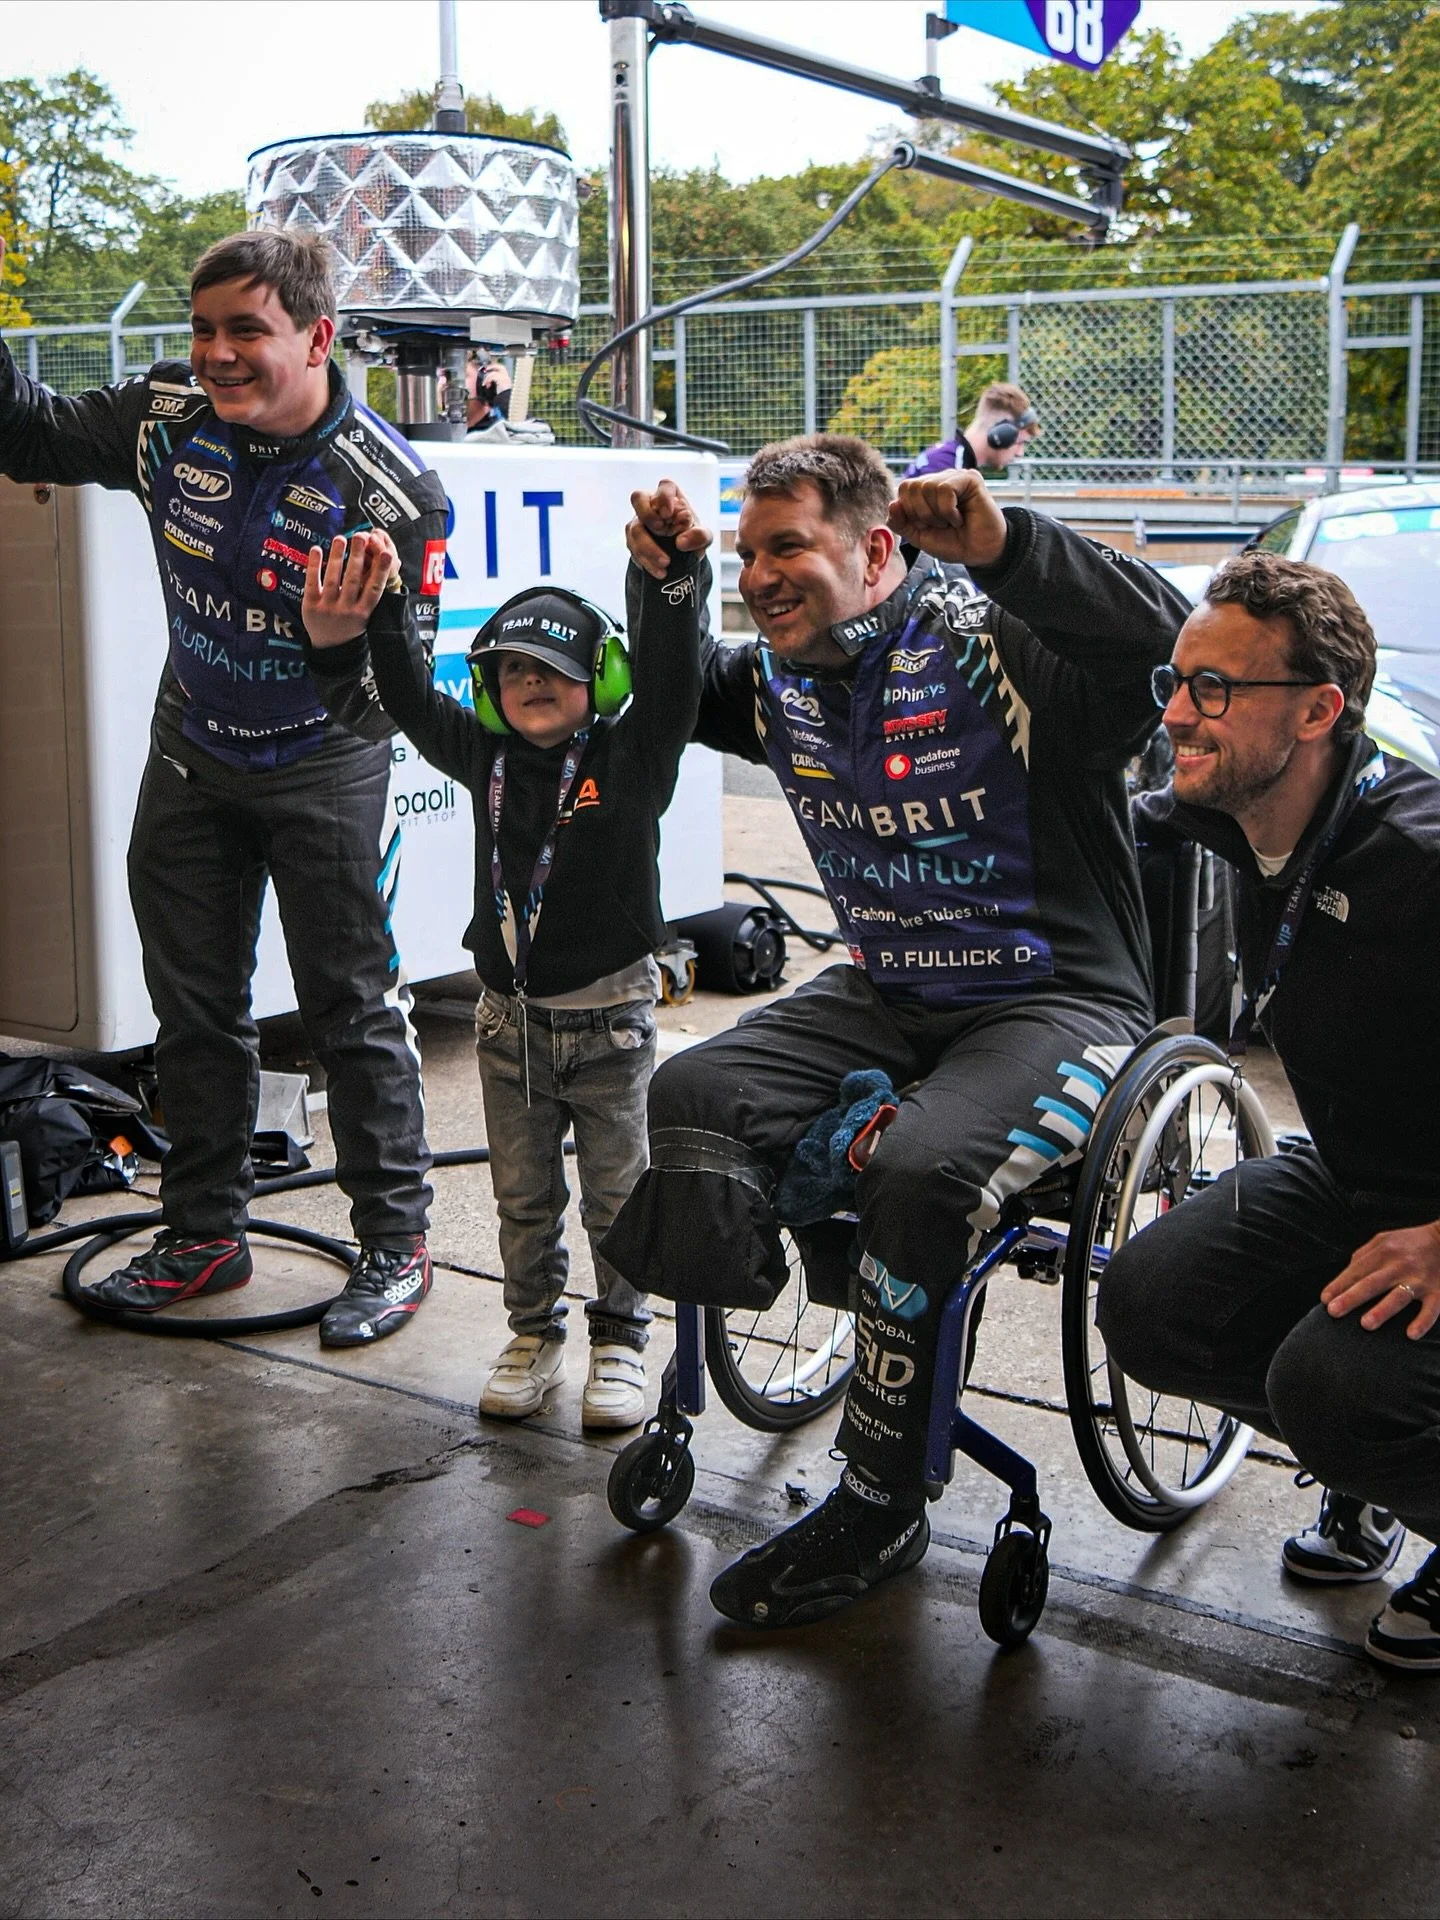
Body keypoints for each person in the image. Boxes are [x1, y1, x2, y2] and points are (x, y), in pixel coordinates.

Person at [601, 433, 1190, 1627]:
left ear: (877, 547)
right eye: (748, 552)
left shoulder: (999, 648)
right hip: (889, 989)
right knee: (696, 1092)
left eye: (789, 548)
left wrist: (1011, 547)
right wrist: (664, 585)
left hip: (1055, 996)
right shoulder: (773, 674)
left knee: (920, 1169)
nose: (760, 575)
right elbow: (655, 724)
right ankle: (831, 1293)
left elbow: (1162, 639)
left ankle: (881, 1498)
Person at [0, 229, 445, 1345]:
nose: (216, 354)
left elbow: (401, 713)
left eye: (247, 330)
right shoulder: (166, 419)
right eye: (202, 330)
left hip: (322, 766)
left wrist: (339, 644)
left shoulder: (389, 490)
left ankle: (396, 1246)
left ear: (317, 337)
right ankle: (204, 1233)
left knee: (352, 1008)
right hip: (190, 751)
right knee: (194, 1009)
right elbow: (25, 434)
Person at [1098, 550, 1440, 1674]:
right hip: (1352, 1173)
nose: (1182, 716)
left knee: (1330, 1389)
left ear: (1318, 711)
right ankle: (1381, 1473)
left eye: (1215, 689)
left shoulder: (1417, 859)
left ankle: (1389, 1461)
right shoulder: (1228, 805)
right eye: (1178, 680)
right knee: (1150, 1305)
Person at [302, 483, 707, 1429]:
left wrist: (673, 578)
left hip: (610, 1022)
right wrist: (393, 600)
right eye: (512, 668)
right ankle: (533, 1334)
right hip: (506, 1025)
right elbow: (402, 690)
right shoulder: (478, 755)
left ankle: (620, 1340)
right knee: (523, 1201)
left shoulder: (634, 754)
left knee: (617, 1199)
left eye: (556, 670)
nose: (532, 682)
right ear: (488, 687)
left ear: (598, 680)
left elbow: (674, 675)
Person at [904, 380, 1039, 480]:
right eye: (1020, 442)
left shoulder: (952, 460)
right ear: (1001, 435)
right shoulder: (947, 470)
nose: (1020, 453)